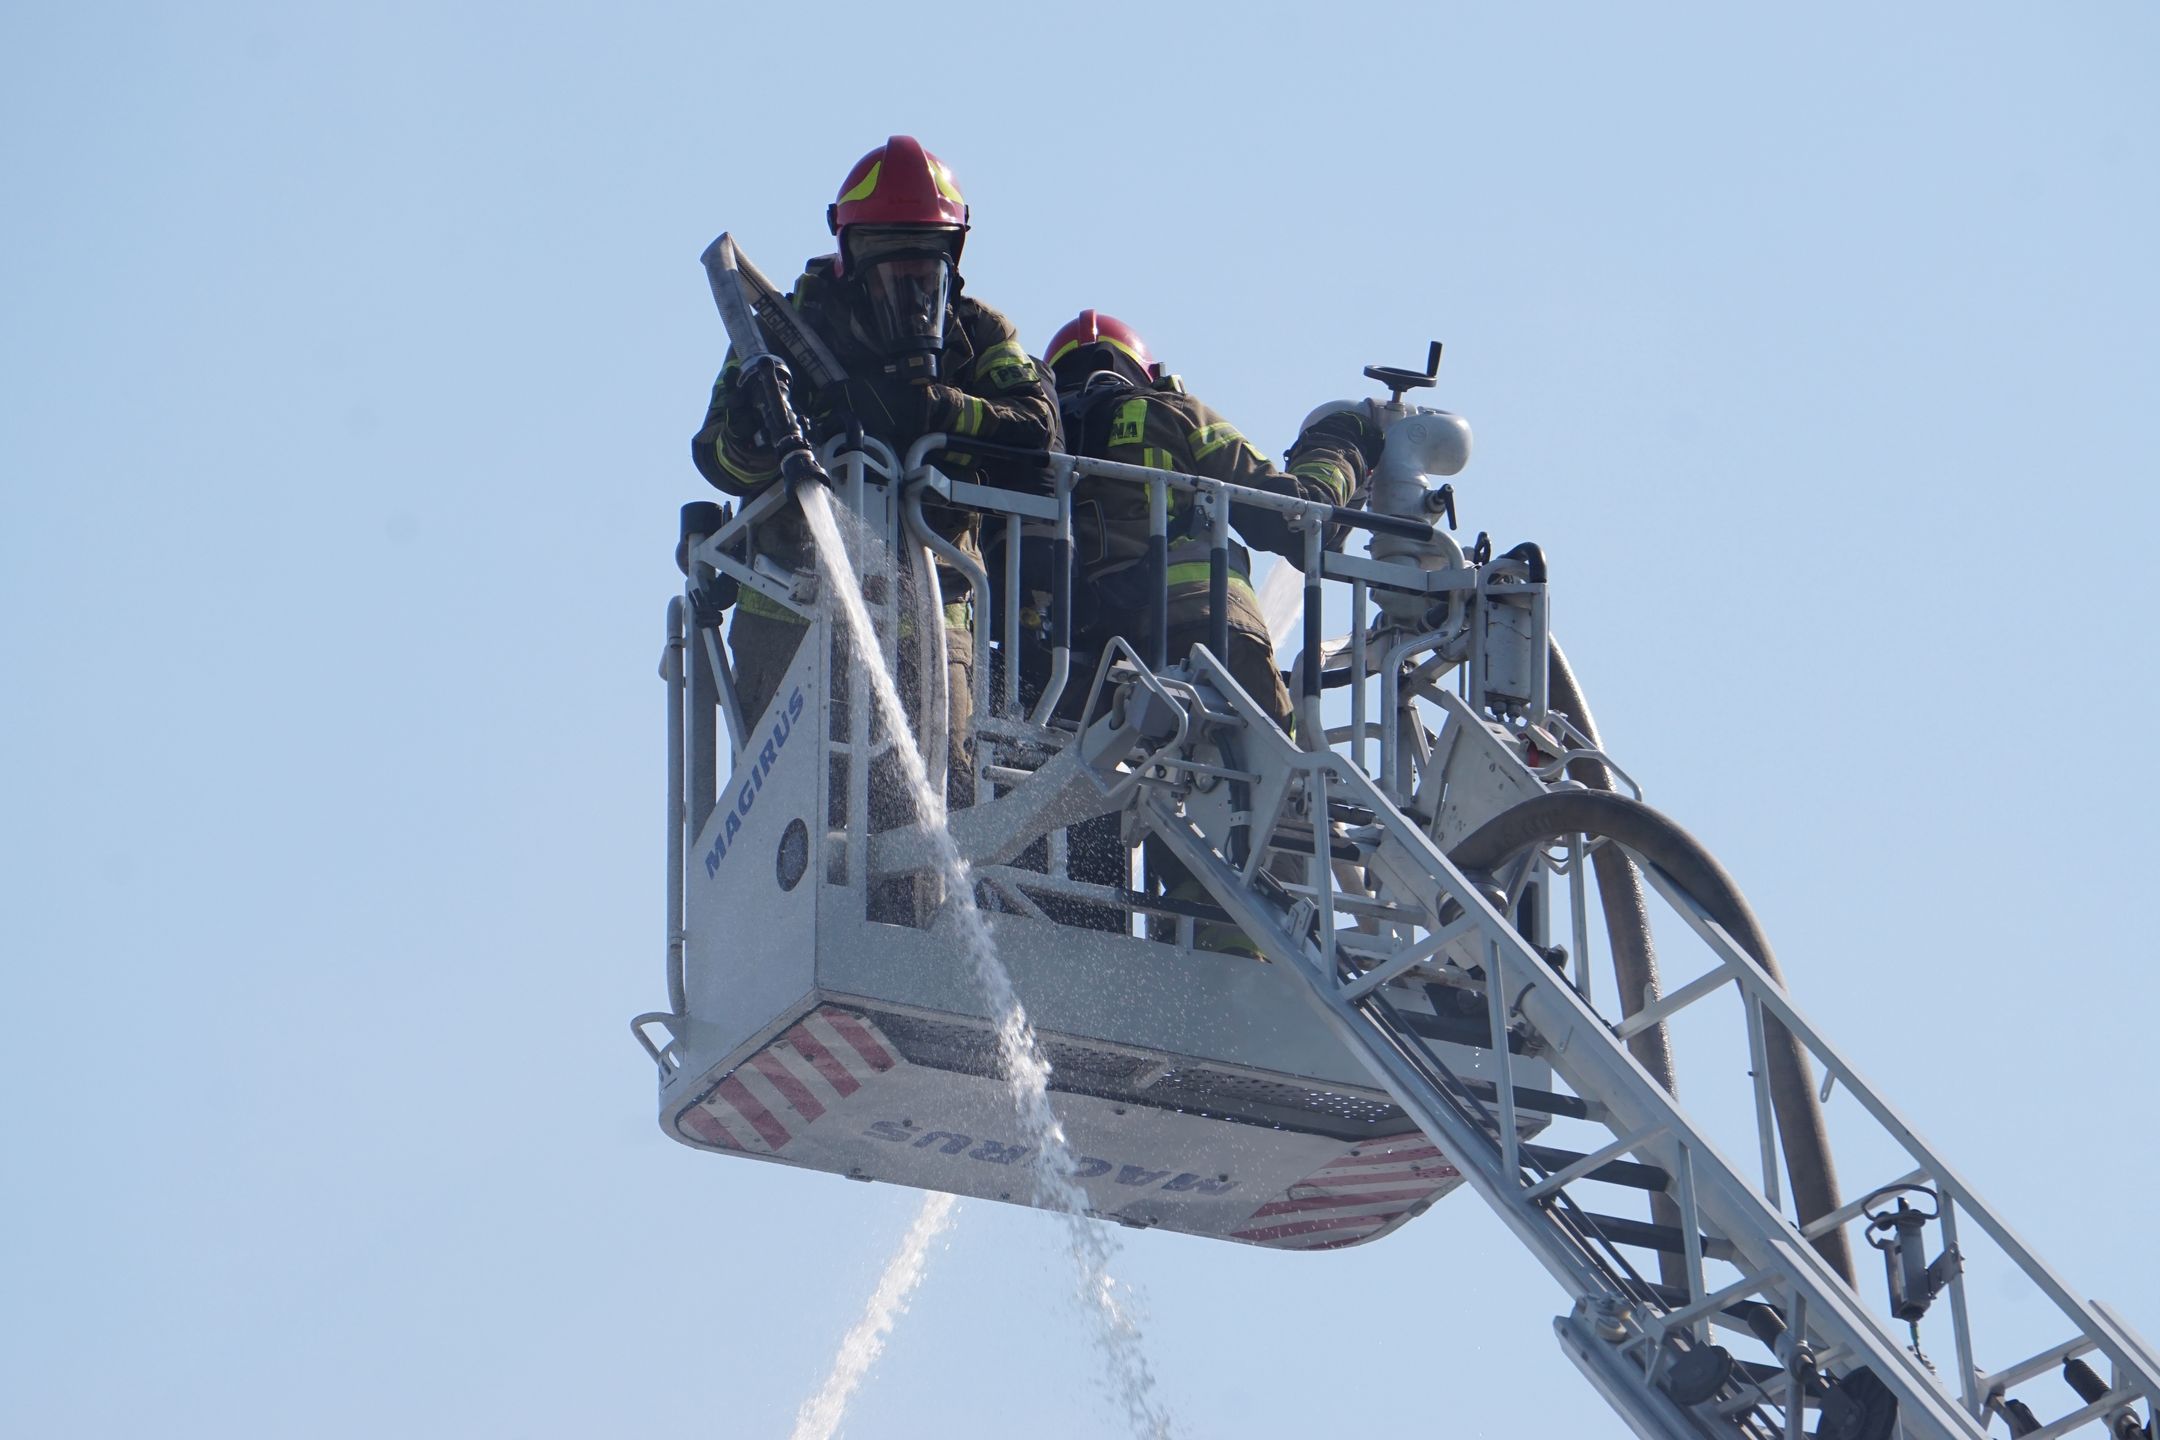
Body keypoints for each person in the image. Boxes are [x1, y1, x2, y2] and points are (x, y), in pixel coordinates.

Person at [691, 136, 1057, 808]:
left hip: (933, 619)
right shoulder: (783, 328)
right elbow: (715, 456)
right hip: (793, 615)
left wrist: (937, 407)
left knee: (930, 824)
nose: (912, 290)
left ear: (953, 257)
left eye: (926, 269)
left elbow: (1038, 433)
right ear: (853, 257)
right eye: (893, 268)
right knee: (793, 821)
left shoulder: (979, 333)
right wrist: (755, 425)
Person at [1044, 309, 1387, 948]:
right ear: (1144, 371)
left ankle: (1113, 949)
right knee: (1255, 816)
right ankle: (1244, 964)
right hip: (1218, 642)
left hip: (1093, 674)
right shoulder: (1168, 412)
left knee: (1104, 818)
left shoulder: (1043, 445)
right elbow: (1294, 514)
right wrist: (1340, 446)